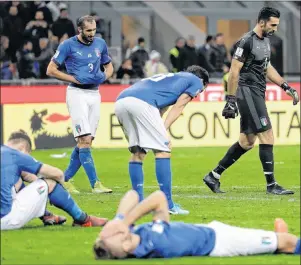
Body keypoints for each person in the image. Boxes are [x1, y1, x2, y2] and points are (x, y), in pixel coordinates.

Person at [203, 7, 299, 195]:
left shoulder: (264, 42)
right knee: (267, 135)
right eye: (273, 25)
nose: (275, 29)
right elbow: (233, 72)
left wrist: (286, 86)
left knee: (246, 142)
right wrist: (230, 99)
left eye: (277, 25)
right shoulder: (246, 41)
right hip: (247, 92)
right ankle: (271, 185)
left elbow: (266, 68)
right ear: (262, 22)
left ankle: (213, 176)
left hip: (256, 92)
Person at [93, 190, 301, 259]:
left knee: (276, 241)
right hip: (222, 243)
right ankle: (279, 243)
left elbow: (133, 194)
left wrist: (119, 219)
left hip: (212, 230)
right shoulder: (154, 243)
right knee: (287, 241)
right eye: (116, 234)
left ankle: (273, 242)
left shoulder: (139, 235)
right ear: (127, 246)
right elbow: (157, 197)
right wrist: (124, 222)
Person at [114, 65, 209, 215]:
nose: (196, 94)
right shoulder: (195, 81)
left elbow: (160, 109)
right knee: (163, 150)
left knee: (138, 152)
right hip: (142, 103)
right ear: (202, 81)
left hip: (121, 101)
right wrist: (163, 132)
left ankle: (137, 201)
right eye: (200, 91)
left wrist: (159, 130)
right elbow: (179, 106)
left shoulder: (172, 79)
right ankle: (167, 204)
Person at [46, 15, 114, 194]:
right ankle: (95, 184)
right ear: (80, 30)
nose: (92, 34)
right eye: (88, 31)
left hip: (95, 94)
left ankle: (64, 179)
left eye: (94, 30)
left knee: (87, 141)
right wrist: (74, 79)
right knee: (83, 140)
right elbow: (50, 69)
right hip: (77, 94)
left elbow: (109, 66)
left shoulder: (100, 44)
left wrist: (104, 76)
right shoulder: (67, 45)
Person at [1, 130, 108, 230]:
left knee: (16, 182)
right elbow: (57, 174)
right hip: (6, 219)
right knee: (50, 183)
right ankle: (83, 219)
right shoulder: (16, 155)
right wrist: (59, 186)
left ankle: (47, 215)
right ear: (23, 148)